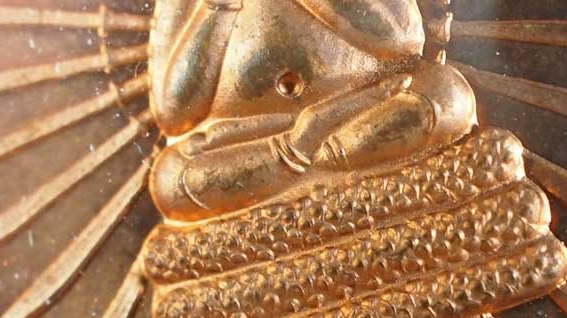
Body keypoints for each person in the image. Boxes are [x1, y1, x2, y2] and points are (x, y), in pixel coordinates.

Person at [148, 0, 477, 222]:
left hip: (359, 113)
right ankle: (301, 152)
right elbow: (174, 113)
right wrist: (218, 7)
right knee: (170, 180)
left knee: (448, 96)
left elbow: (403, 40)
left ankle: (315, 158)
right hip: (257, 136)